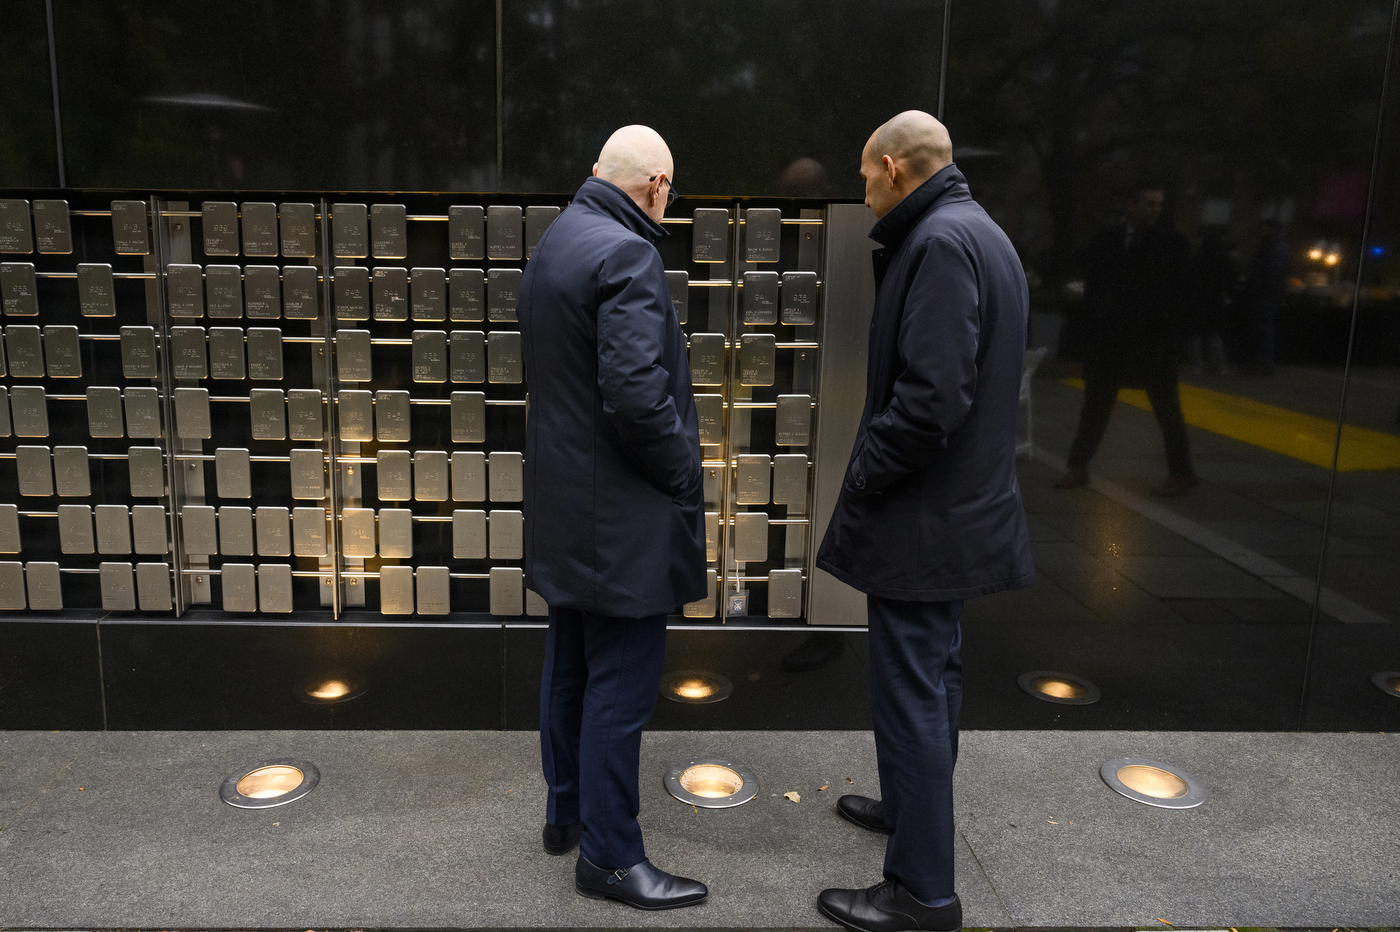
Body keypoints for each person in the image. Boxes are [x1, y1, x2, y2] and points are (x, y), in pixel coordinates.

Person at [814, 110, 1034, 932]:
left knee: (912, 692)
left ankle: (921, 895)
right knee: (933, 683)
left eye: (865, 173)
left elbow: (930, 400)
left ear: (893, 167)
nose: (861, 187)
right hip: (958, 513)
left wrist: (864, 474)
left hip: (926, 520)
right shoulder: (980, 232)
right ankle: (910, 812)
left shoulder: (940, 244)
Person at [518, 125, 709, 911]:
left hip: (566, 507)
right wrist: (683, 473)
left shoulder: (559, 240)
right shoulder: (628, 254)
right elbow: (636, 395)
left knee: (569, 665)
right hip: (621, 518)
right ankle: (609, 856)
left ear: (600, 172)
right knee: (619, 690)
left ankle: (566, 810)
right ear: (658, 186)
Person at [1055, 184, 1197, 495]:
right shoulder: (1108, 239)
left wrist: (1172, 335)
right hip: (1110, 340)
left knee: (1167, 409)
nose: (1155, 210)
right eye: (1149, 204)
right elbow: (1094, 285)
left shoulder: (1171, 244)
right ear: (1130, 205)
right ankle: (1078, 466)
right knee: (1095, 407)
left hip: (1152, 341)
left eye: (1159, 205)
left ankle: (1181, 470)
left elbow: (1181, 294)